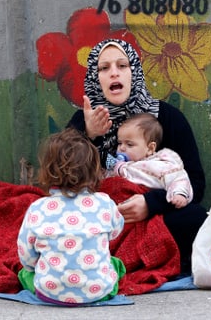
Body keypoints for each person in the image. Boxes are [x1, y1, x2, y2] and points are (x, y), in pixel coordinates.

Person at [67, 38, 208, 275]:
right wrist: (88, 136)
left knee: (195, 217)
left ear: (134, 72)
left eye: (122, 66)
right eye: (104, 68)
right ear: (95, 77)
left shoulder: (167, 118)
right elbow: (62, 181)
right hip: (102, 218)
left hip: (153, 217)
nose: (114, 73)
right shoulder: (83, 120)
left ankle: (114, 259)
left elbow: (195, 184)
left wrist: (151, 204)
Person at [16, 128, 126, 306]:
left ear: (46, 171)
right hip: (98, 292)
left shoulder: (37, 208)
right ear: (94, 171)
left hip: (49, 292)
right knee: (116, 264)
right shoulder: (105, 203)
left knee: (24, 273)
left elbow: (27, 257)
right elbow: (115, 232)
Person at [105, 113, 193, 209]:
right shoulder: (119, 164)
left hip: (142, 206)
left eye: (129, 144)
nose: (121, 148)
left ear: (150, 148)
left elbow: (178, 178)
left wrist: (179, 194)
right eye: (119, 143)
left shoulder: (160, 165)